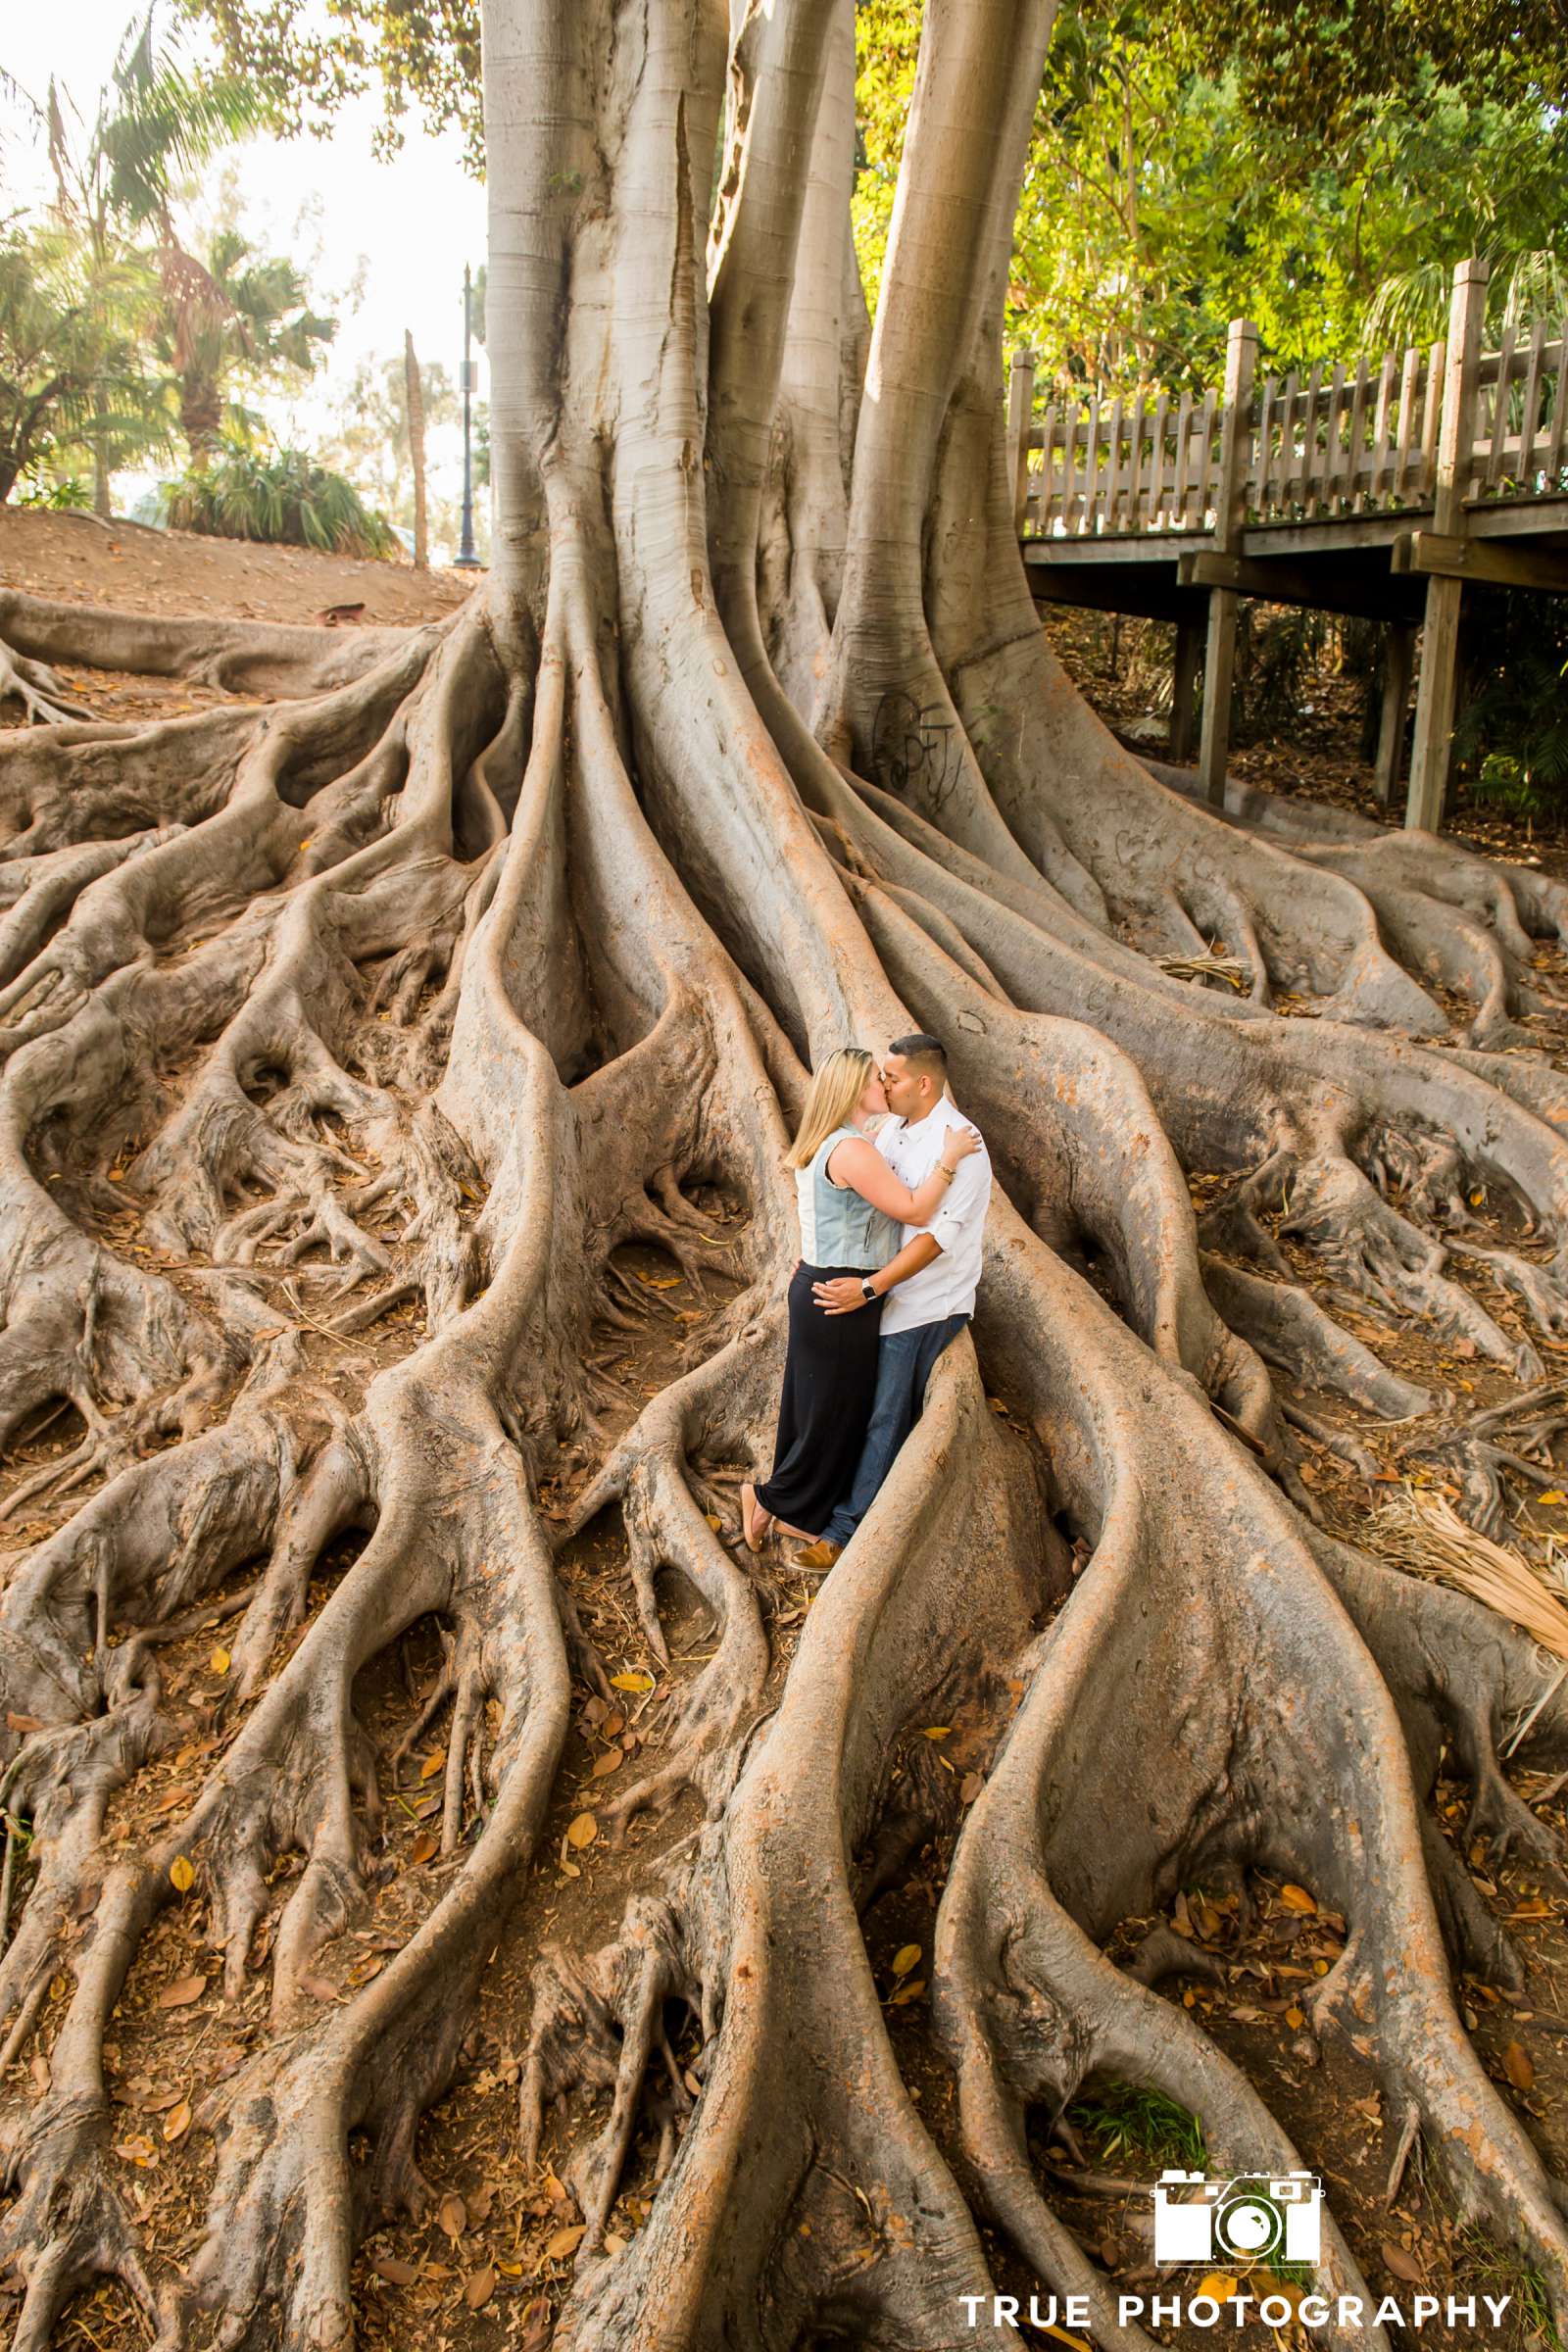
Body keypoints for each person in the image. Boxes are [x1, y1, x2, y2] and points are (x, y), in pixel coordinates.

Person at [742, 1046, 980, 1553]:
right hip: (841, 1292)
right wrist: (948, 1160)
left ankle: (781, 1506)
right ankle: (774, 1500)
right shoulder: (853, 1147)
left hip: (827, 1283)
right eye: (878, 1078)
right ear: (856, 1090)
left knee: (814, 1406)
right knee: (832, 1410)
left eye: (890, 1077)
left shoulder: (849, 1140)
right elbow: (916, 1212)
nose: (885, 1085)